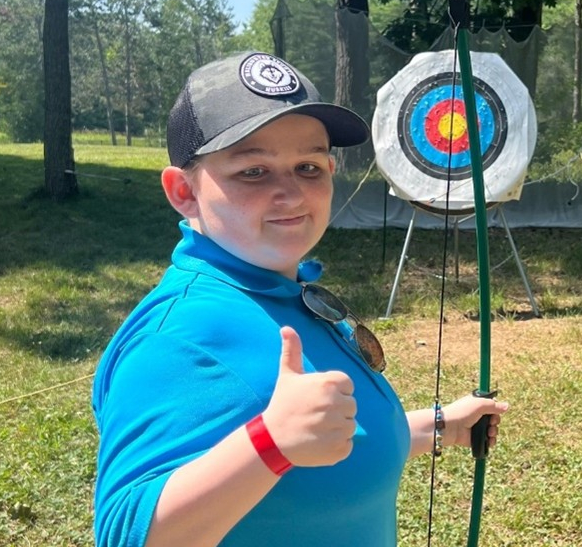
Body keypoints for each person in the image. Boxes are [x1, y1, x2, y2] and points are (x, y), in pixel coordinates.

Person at [91, 51, 509, 547]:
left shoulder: (278, 291)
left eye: (309, 166)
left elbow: (328, 442)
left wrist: (438, 426)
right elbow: (123, 534)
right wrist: (270, 444)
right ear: (183, 191)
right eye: (253, 171)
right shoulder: (181, 333)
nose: (291, 192)